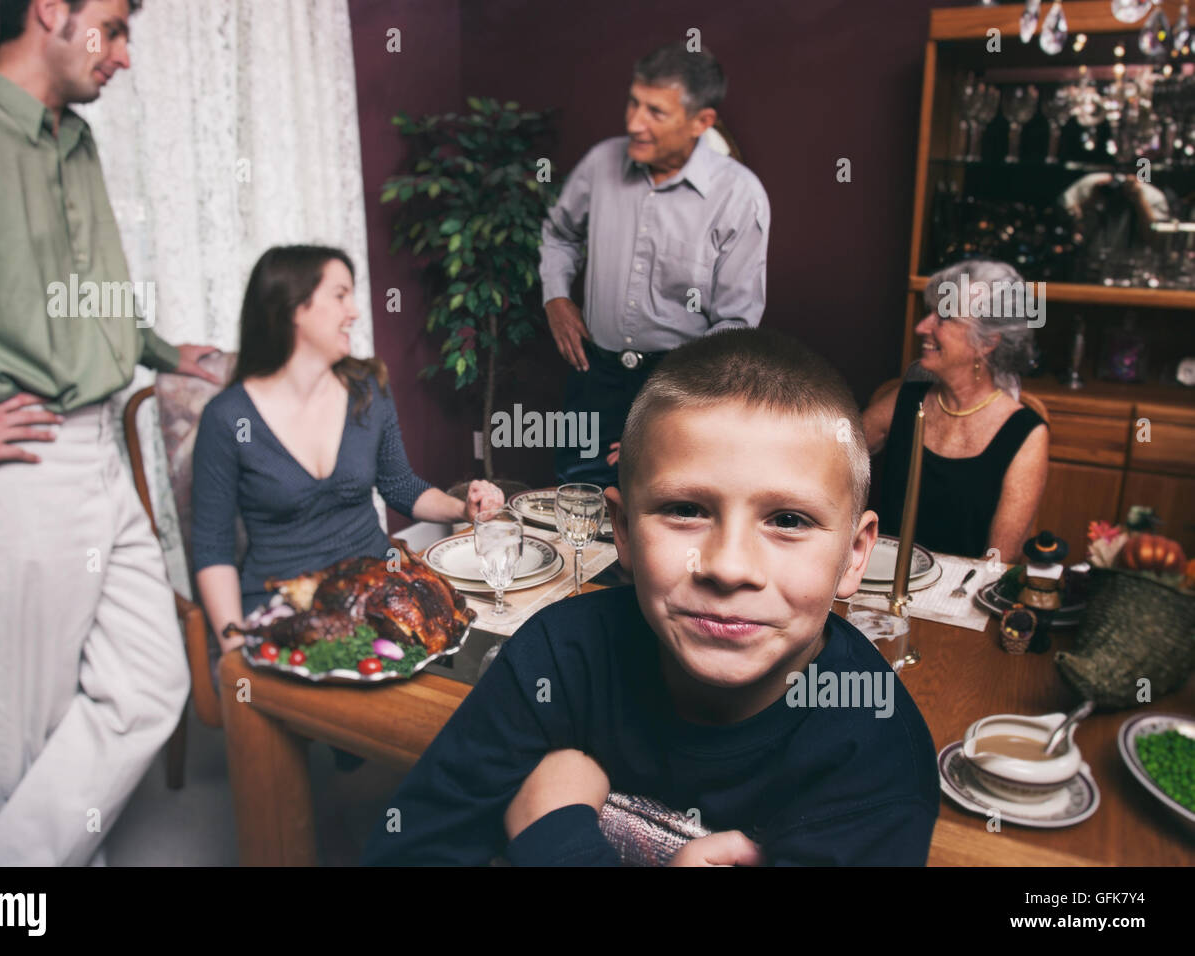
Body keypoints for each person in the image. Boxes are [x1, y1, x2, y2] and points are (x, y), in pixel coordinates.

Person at [361, 329, 940, 866]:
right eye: (685, 510)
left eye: (788, 519)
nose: (728, 567)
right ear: (622, 531)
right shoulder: (560, 657)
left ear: (856, 555)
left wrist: (553, 830)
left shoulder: (877, 763)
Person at [0, 0, 223, 865]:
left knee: (153, 682)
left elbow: (86, 293)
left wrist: (160, 349)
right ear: (49, 9)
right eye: (111, 27)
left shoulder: (75, 139)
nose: (121, 53)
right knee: (31, 739)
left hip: (97, 449)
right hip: (16, 466)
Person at [191, 245, 503, 652]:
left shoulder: (366, 391)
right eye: (340, 295)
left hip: (375, 593)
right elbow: (212, 547)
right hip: (286, 607)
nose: (354, 311)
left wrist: (463, 509)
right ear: (293, 308)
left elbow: (401, 485)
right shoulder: (228, 417)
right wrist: (235, 649)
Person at [540, 43, 769, 489]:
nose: (633, 123)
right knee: (576, 504)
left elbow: (736, 324)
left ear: (701, 122)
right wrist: (556, 296)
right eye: (633, 103)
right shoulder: (601, 163)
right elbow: (559, 234)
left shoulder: (740, 195)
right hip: (595, 373)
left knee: (662, 511)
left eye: (655, 112)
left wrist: (666, 413)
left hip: (676, 385)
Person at [863, 259, 1049, 562]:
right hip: (880, 589)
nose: (922, 327)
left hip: (958, 598)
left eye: (944, 317)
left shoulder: (1025, 434)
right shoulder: (904, 400)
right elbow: (830, 455)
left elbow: (998, 561)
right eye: (929, 313)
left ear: (987, 342)